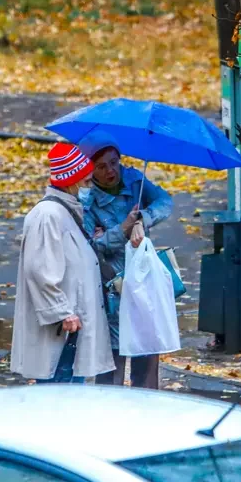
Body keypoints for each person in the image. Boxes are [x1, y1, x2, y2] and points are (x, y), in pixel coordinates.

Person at [10, 142, 115, 384]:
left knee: (67, 393)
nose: (91, 187)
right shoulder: (48, 215)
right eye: (87, 182)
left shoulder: (64, 213)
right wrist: (62, 312)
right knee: (56, 396)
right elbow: (39, 270)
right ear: (72, 182)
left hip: (70, 329)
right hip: (63, 329)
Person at [78, 130, 173, 388]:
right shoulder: (87, 201)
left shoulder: (134, 180)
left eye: (113, 162)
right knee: (112, 360)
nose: (111, 170)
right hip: (112, 285)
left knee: (146, 348)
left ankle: (146, 410)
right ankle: (110, 416)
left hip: (143, 276)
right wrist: (122, 229)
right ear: (91, 170)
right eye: (101, 166)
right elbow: (90, 247)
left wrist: (142, 217)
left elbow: (165, 202)